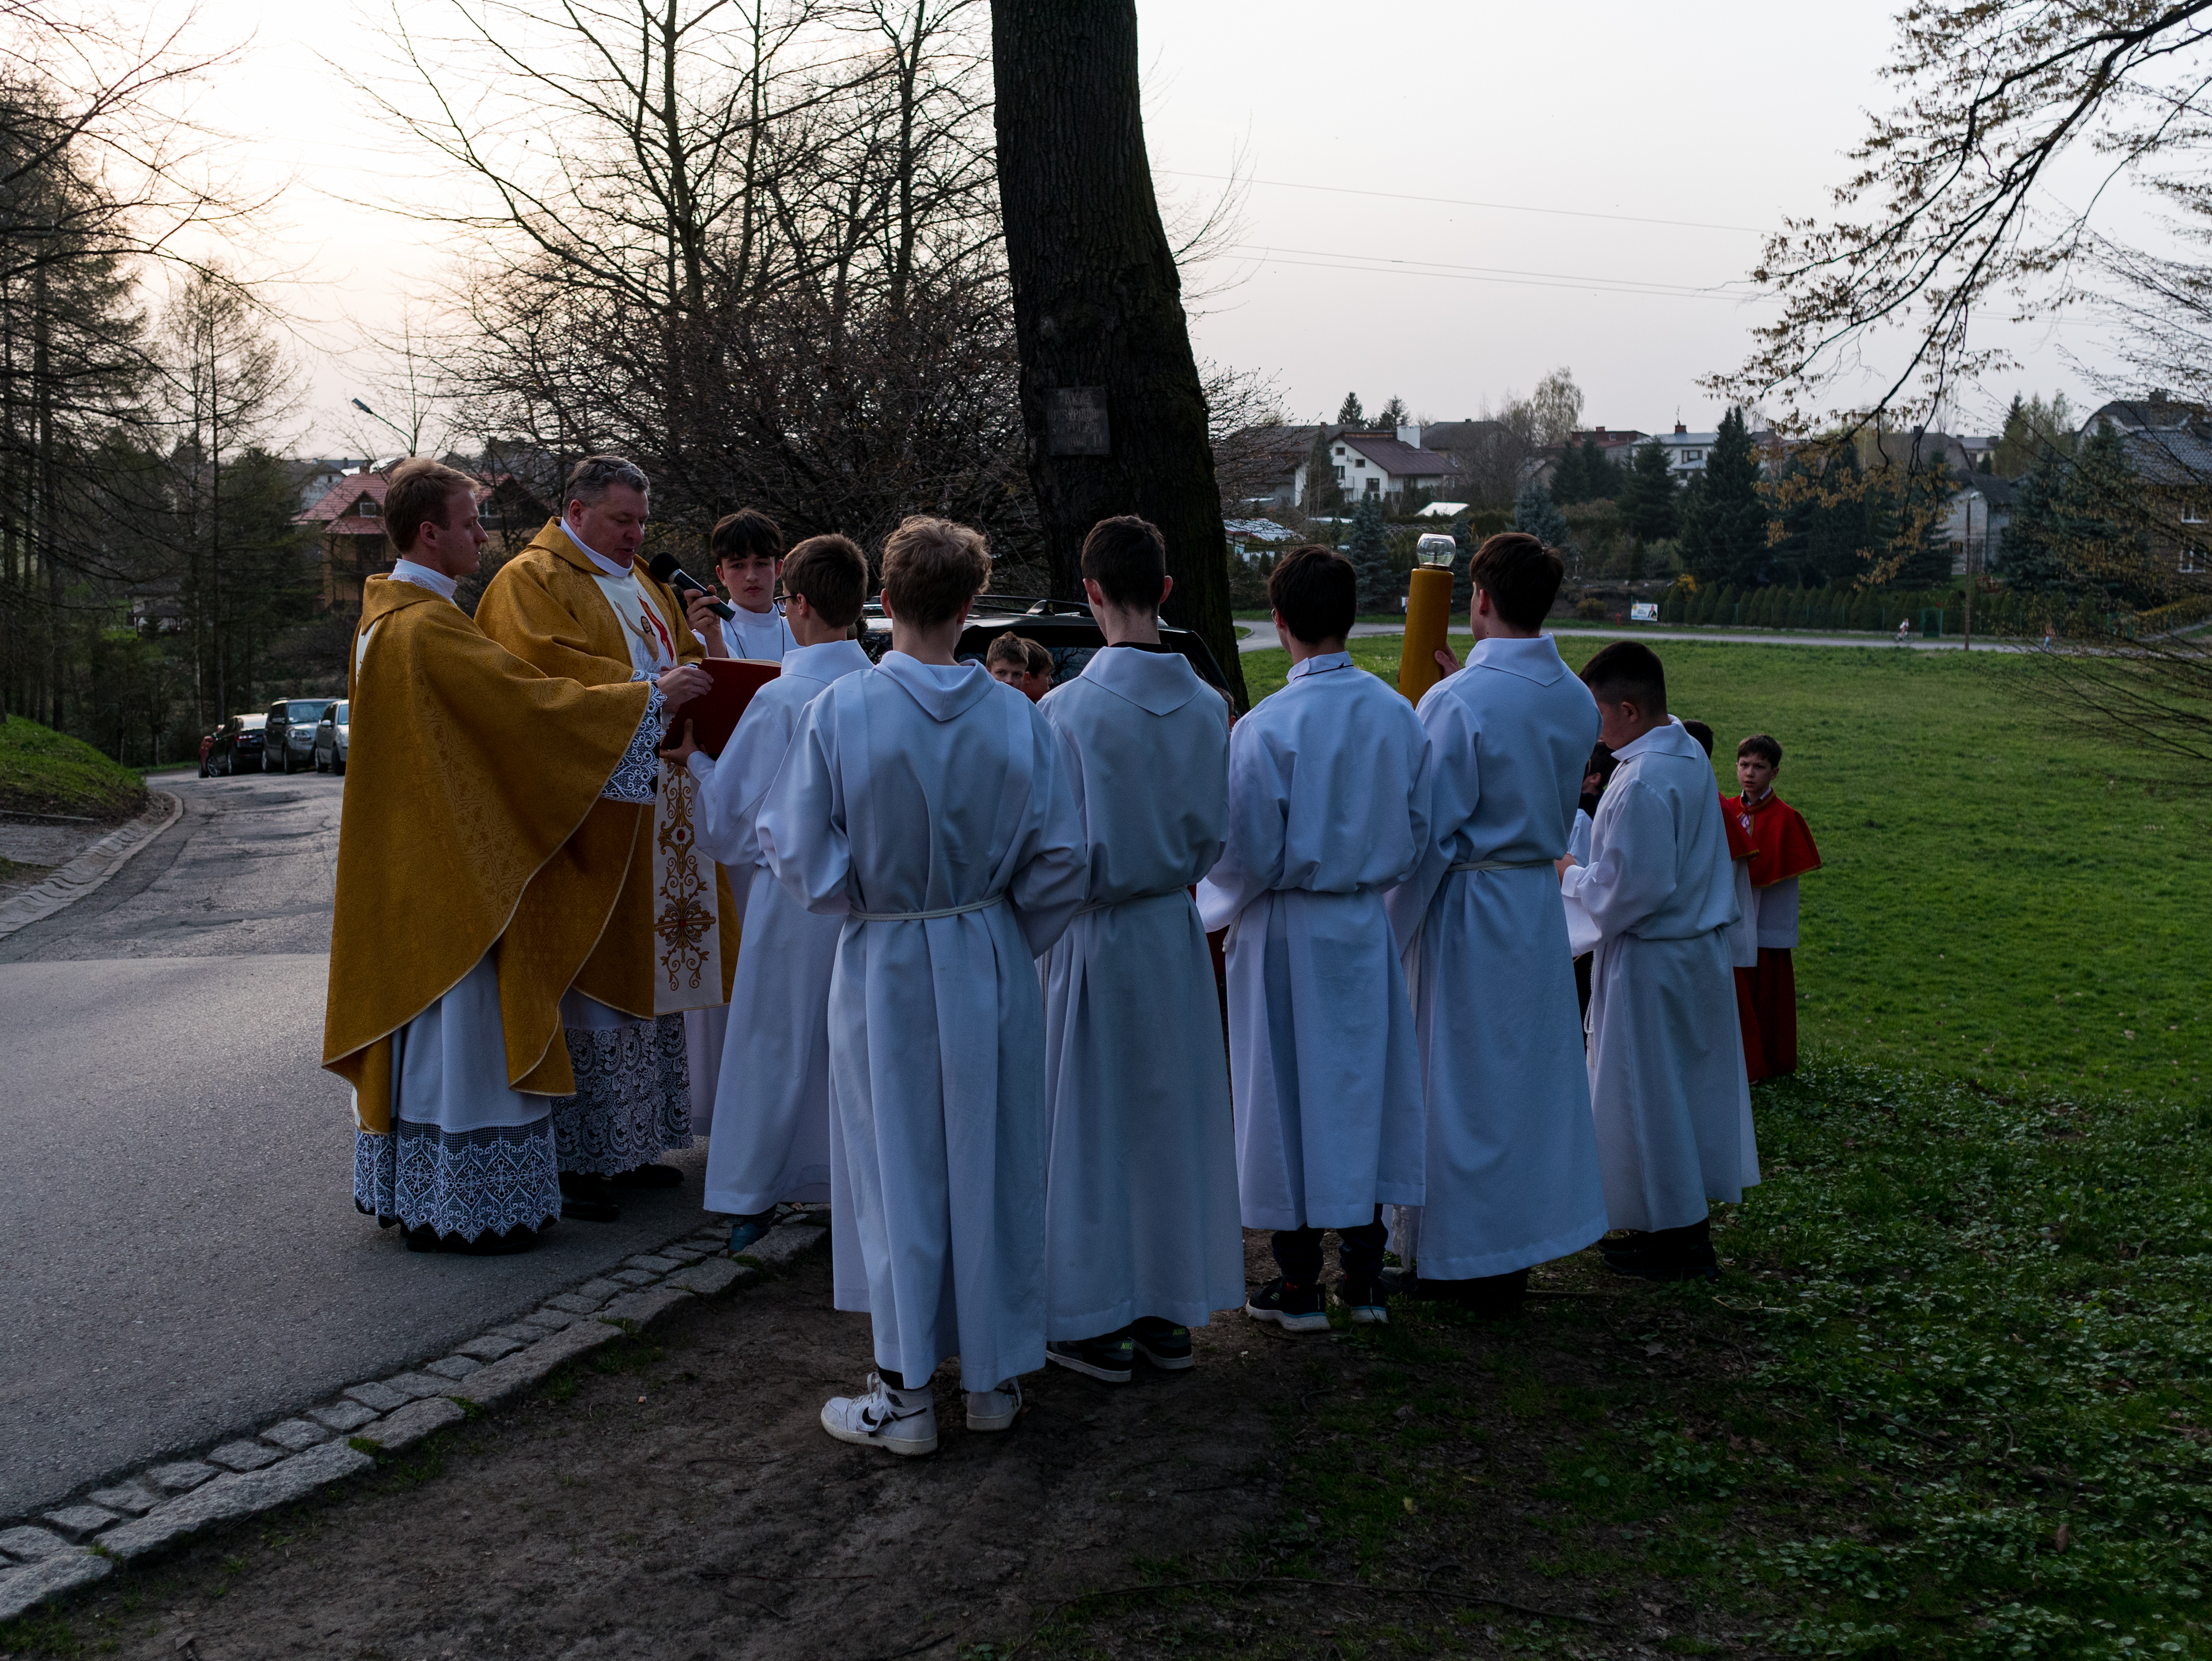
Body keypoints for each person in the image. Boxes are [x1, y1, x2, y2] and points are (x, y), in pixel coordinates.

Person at [759, 515, 1086, 1456]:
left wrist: (856, 894)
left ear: (884, 601)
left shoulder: (843, 711)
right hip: (984, 949)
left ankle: (906, 1395)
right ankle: (991, 1377)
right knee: (993, 1159)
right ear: (973, 607)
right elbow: (1064, 859)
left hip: (889, 955)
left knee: (895, 1167)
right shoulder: (1018, 716)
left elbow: (794, 843)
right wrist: (995, 931)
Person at [325, 459, 707, 1254]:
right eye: (470, 524)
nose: (481, 537)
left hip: (423, 859)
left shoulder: (387, 620)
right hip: (454, 866)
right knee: (460, 1035)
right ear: (429, 531)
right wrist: (648, 700)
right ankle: (463, 1206)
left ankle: (431, 1194)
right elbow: (525, 707)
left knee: (436, 1036)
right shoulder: (425, 627)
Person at [473, 455, 738, 1221]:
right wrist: (648, 695)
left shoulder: (645, 580)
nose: (636, 535)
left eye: (642, 522)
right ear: (577, 511)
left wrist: (693, 668)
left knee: (647, 978)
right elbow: (537, 687)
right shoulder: (531, 582)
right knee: (591, 982)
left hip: (659, 807)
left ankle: (631, 1144)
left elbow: (678, 656)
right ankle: (579, 1155)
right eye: (623, 520)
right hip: (588, 816)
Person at [1196, 544, 1430, 1333]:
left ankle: (1299, 1284)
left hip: (1287, 925)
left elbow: (1246, 851)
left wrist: (1211, 904)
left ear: (1280, 621)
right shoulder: (1398, 713)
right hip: (1361, 923)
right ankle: (1363, 1276)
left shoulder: (1267, 727)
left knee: (1286, 1094)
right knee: (1357, 1090)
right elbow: (1420, 826)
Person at [1035, 516, 1241, 1382]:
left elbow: (1047, 843)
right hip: (1170, 926)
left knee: (1091, 1124)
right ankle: (1167, 1307)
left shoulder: (1066, 709)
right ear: (1164, 591)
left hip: (1093, 930)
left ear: (1089, 594)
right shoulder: (1210, 706)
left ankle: (1096, 1315)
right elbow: (1218, 831)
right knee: (1167, 1121)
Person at [1381, 532, 1605, 1318]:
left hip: (1468, 905)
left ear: (1477, 600)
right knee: (1523, 1087)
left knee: (1458, 1085)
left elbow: (1432, 830)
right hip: (1533, 905)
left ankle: (1456, 1255)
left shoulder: (1459, 702)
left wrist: (1390, 928)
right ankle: (1513, 1249)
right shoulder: (1576, 697)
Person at [667, 534, 874, 1253]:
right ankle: (843, 1177)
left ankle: (755, 1190)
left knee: (775, 1038)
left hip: (789, 898)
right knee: (848, 1043)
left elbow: (729, 822)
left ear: (799, 605)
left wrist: (695, 761)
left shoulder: (781, 697)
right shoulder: (877, 688)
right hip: (868, 900)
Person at [1558, 642, 1756, 1281]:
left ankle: (1683, 1243)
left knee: (1652, 1097)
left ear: (1629, 708)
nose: (1594, 728)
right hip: (1692, 953)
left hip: (1652, 957)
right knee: (1675, 1094)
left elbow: (1628, 892)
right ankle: (1666, 1225)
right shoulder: (1685, 750)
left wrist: (1568, 874)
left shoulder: (1640, 782)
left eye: (1598, 714)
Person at [1723, 733, 1822, 1081]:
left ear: (1775, 772)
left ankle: (1769, 1063)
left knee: (1766, 993)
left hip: (1767, 922)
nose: (1750, 774)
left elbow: (1768, 866)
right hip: (1734, 914)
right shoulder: (1727, 810)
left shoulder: (1786, 818)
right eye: (1744, 765)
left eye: (1759, 767)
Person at [697, 507, 801, 663]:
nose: (751, 577)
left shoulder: (803, 636)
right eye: (738, 566)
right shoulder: (703, 639)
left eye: (761, 563)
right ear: (722, 575)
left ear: (778, 569)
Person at [1568, 742, 1615, 1023]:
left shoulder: (1581, 816)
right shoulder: (1595, 809)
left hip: (1577, 909)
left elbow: (1578, 861)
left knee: (1577, 984)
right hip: (1586, 903)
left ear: (1594, 778)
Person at [986, 631, 1053, 701]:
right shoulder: (976, 706)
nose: (1009, 681)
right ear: (987, 674)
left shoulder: (1030, 711)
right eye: (1001, 673)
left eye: (1017, 674)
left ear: (1026, 678)